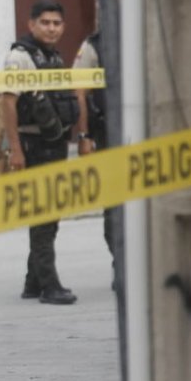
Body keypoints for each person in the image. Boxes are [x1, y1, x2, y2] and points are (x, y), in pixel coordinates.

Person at [3, 0, 80, 306]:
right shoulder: (19, 57)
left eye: (56, 23)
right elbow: (7, 103)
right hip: (33, 144)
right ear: (30, 24)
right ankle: (49, 285)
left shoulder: (52, 56)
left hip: (55, 143)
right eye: (45, 22)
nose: (51, 28)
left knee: (50, 214)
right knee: (43, 214)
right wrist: (15, 150)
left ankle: (33, 281)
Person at [73, 30, 119, 288]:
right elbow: (79, 91)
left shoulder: (152, 31)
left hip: (152, 136)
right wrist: (84, 135)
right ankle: (120, 264)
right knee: (115, 206)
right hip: (109, 136)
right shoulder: (96, 44)